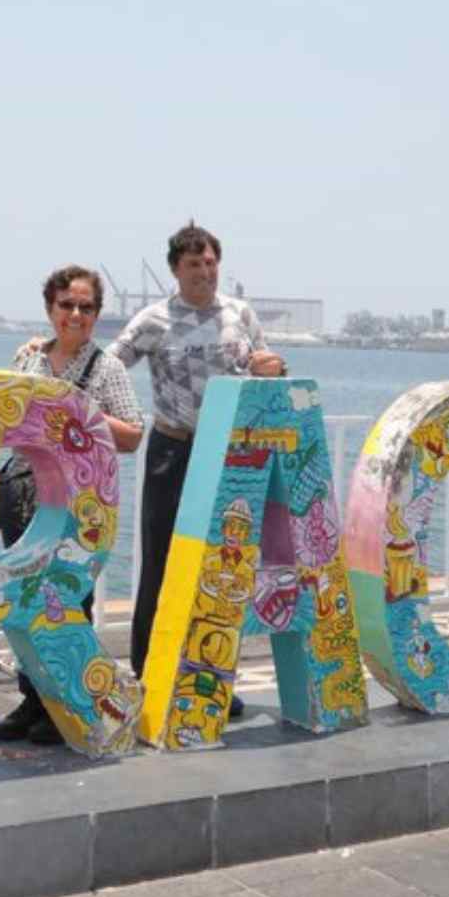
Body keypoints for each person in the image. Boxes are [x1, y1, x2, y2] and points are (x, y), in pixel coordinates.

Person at [108, 221, 285, 720]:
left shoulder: (239, 314)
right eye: (194, 264)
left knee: (223, 569)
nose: (204, 272)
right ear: (175, 269)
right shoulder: (152, 319)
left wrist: (275, 368)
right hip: (174, 449)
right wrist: (49, 350)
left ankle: (213, 682)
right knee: (161, 565)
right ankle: (149, 678)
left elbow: (263, 364)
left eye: (210, 263)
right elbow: (108, 366)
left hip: (230, 453)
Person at [0, 265, 144, 744]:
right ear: (50, 309)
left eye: (86, 307)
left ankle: (63, 700)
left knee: (64, 599)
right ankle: (34, 697)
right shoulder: (29, 361)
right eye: (67, 305)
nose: (75, 315)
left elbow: (133, 434)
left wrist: (79, 412)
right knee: (23, 596)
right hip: (21, 489)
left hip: (80, 504)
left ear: (97, 314)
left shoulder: (107, 368)